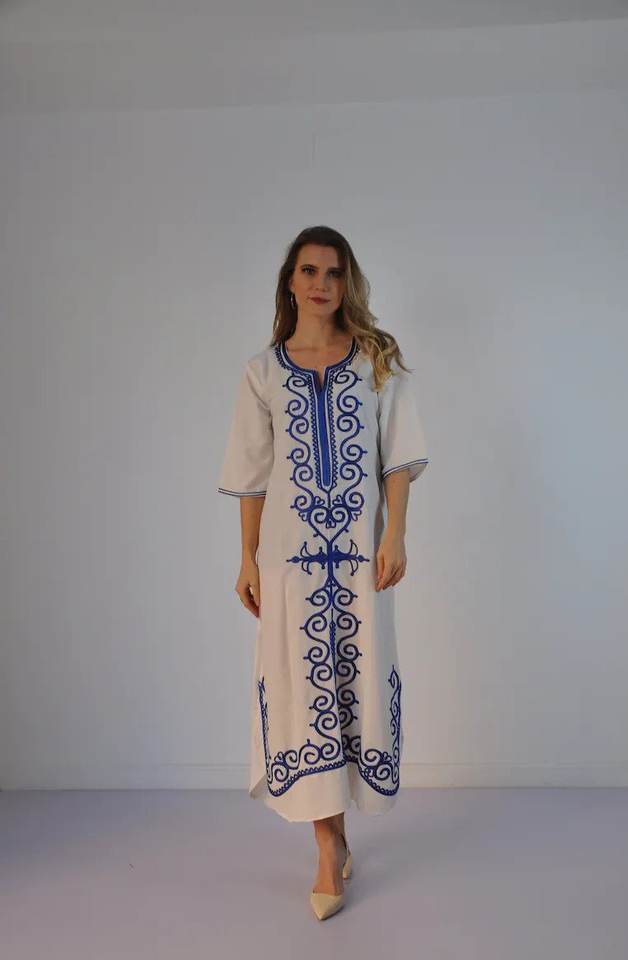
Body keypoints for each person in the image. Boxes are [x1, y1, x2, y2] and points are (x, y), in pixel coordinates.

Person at [218, 225, 429, 919]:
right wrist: (247, 557)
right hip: (289, 561)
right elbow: (252, 475)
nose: (321, 284)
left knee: (354, 678)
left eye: (333, 273)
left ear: (347, 283)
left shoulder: (374, 360)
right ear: (290, 281)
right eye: (309, 271)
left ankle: (339, 832)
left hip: (361, 558)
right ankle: (326, 846)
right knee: (302, 685)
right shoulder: (263, 372)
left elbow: (398, 456)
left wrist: (395, 533)